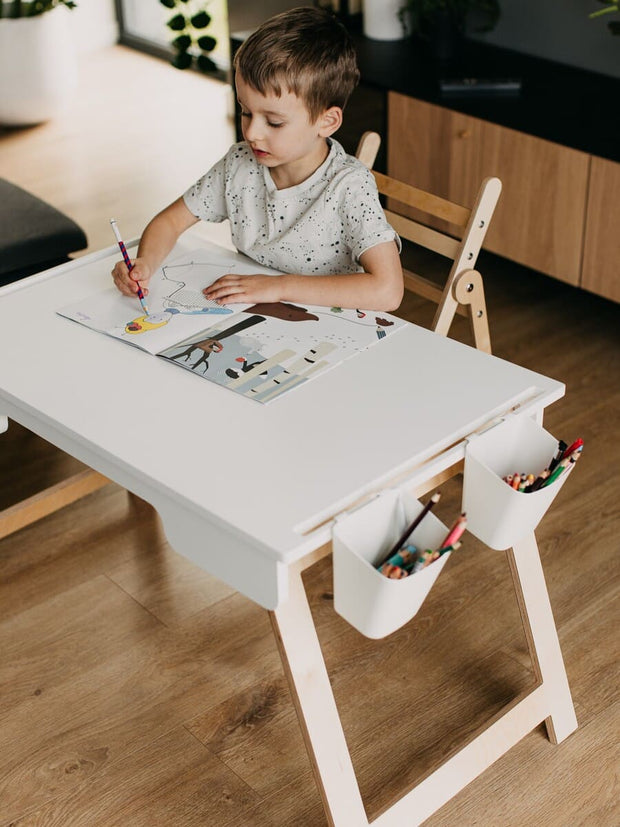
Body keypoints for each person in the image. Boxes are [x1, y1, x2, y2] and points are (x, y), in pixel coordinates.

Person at [112, 6, 403, 311]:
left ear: (327, 122)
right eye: (245, 111)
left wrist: (278, 287)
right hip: (255, 314)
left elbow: (388, 291)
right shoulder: (239, 164)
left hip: (327, 323)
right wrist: (144, 264)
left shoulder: (350, 187)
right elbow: (169, 222)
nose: (252, 132)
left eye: (274, 122)